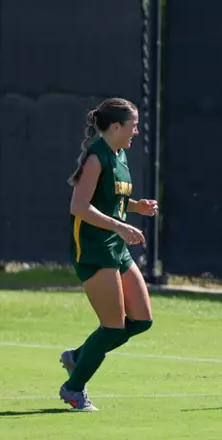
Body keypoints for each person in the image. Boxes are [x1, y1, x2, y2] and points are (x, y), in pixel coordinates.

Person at [60, 98, 158, 412]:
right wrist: (119, 226)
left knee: (141, 320)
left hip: (115, 247)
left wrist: (136, 207)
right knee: (113, 326)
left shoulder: (120, 154)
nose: (137, 131)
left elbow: (110, 199)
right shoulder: (95, 157)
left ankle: (79, 357)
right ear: (115, 126)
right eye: (133, 125)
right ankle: (74, 390)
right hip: (93, 249)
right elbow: (79, 206)